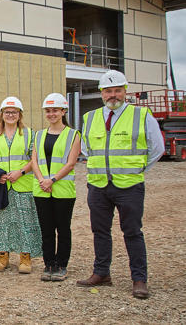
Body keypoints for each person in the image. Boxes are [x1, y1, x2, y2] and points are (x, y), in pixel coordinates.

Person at [76, 70, 164, 299]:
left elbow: (157, 148)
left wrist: (138, 169)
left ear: (125, 91)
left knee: (133, 232)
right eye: (107, 91)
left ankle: (139, 279)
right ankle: (101, 273)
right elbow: (86, 148)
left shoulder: (141, 115)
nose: (112, 95)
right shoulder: (91, 117)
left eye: (117, 90)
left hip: (129, 186)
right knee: (100, 231)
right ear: (101, 93)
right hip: (98, 185)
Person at [0, 96, 41, 275]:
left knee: (24, 222)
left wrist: (20, 172)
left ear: (20, 115)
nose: (10, 115)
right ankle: (3, 256)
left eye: (14, 112)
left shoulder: (30, 134)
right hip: (1, 185)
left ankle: (25, 257)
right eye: (7, 112)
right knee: (1, 222)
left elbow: (33, 159)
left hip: (23, 185)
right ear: (2, 114)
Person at [30, 93, 80, 282]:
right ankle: (49, 263)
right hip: (41, 189)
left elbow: (70, 163)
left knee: (63, 229)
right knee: (46, 229)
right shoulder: (39, 135)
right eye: (48, 111)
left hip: (62, 190)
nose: (51, 114)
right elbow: (34, 160)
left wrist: (51, 180)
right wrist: (42, 180)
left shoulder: (73, 135)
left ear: (63, 111)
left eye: (55, 110)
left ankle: (61, 265)